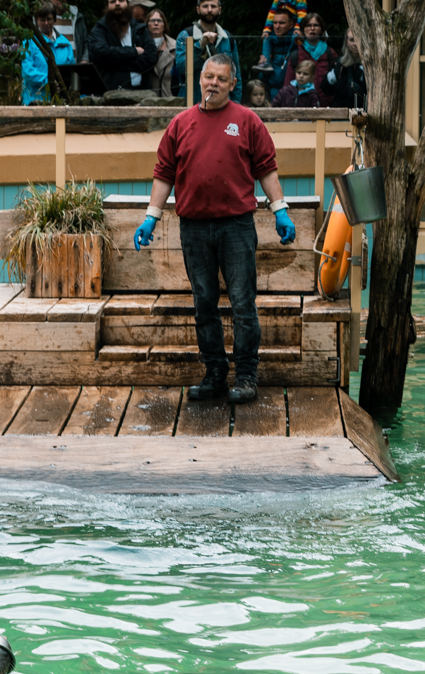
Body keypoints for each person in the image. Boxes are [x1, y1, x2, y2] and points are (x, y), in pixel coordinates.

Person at [133, 52, 294, 405]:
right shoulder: (180, 124)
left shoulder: (248, 121)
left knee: (242, 303)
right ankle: (215, 375)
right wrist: (151, 216)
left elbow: (267, 169)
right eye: (209, 77)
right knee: (204, 304)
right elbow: (164, 173)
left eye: (221, 79)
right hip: (193, 228)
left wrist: (280, 209)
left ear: (232, 84)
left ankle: (247, 376)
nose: (213, 84)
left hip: (236, 226)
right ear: (200, 80)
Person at [174, 0, 242, 104]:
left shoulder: (228, 38)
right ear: (198, 9)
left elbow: (236, 75)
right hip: (193, 103)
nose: (209, 10)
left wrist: (236, 103)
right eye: (205, 6)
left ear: (219, 10)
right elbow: (182, 67)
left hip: (223, 104)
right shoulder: (186, 36)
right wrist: (200, 45)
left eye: (213, 6)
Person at [88, 0, 158, 92]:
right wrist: (134, 51)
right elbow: (100, 52)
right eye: (112, 1)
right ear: (107, 6)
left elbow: (152, 56)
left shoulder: (139, 28)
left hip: (141, 93)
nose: (117, 3)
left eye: (121, 0)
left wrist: (116, 64)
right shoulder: (100, 29)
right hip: (112, 94)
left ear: (128, 4)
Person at [23, 3, 78, 104]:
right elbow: (27, 71)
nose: (46, 23)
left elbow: (71, 72)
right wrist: (48, 81)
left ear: (55, 19)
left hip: (60, 100)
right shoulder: (29, 42)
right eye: (42, 20)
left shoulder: (65, 43)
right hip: (35, 100)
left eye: (49, 19)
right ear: (36, 21)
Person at [283, 13, 337, 98]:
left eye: (316, 25)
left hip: (326, 106)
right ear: (303, 29)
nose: (312, 28)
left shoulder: (330, 53)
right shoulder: (296, 54)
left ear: (321, 29)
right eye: (308, 25)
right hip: (302, 105)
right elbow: (287, 86)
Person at [254, 8, 297, 100]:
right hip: (271, 95)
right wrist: (264, 72)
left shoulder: (297, 45)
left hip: (292, 96)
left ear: (291, 25)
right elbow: (261, 80)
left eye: (281, 23)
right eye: (275, 23)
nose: (277, 26)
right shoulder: (269, 44)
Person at [325, 27, 366, 108]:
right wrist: (332, 77)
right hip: (340, 111)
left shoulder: (371, 65)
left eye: (359, 39)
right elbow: (326, 89)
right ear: (346, 42)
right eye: (352, 40)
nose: (355, 43)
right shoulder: (339, 63)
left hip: (363, 111)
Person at [145, 9, 177, 96]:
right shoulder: (141, 46)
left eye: (159, 20)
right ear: (147, 24)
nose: (156, 23)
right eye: (152, 20)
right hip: (147, 101)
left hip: (170, 100)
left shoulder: (175, 47)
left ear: (164, 24)